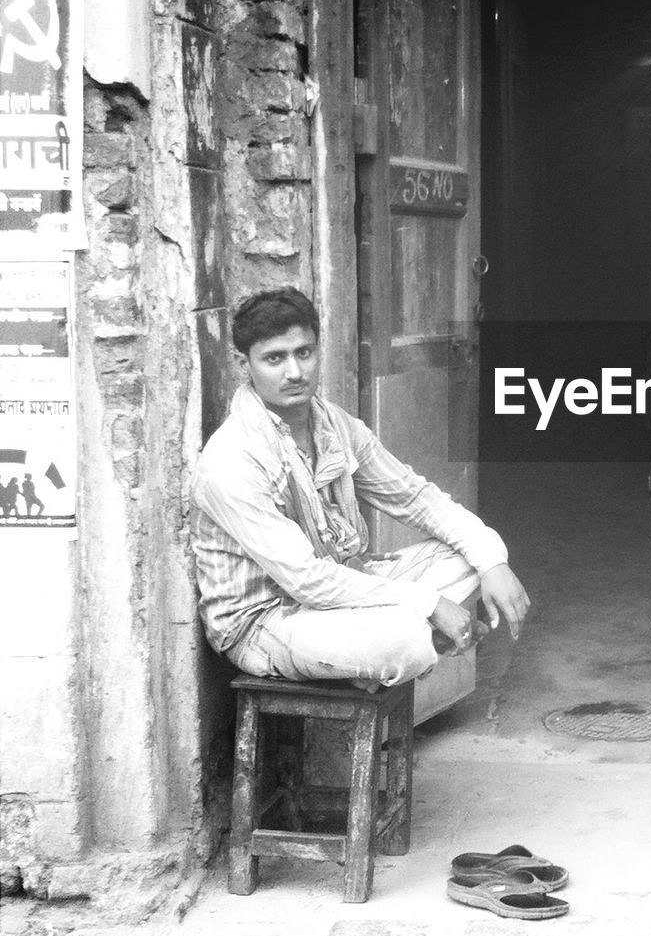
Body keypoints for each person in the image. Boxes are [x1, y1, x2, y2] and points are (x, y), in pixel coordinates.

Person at [191, 287, 530, 688]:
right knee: (403, 641)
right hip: (267, 621)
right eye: (274, 359)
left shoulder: (334, 425)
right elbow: (306, 580)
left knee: (473, 553)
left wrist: (493, 562)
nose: (295, 372)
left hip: (342, 586)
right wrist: (430, 603)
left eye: (304, 353)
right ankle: (386, 651)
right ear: (243, 364)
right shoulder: (231, 460)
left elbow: (415, 498)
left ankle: (366, 659)